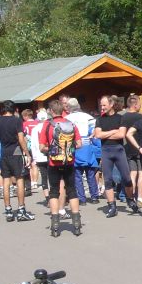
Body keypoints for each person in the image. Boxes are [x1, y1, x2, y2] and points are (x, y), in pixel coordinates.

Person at [39, 99, 83, 237]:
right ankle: (76, 223)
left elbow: (42, 147)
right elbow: (79, 144)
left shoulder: (47, 125)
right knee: (72, 191)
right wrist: (68, 149)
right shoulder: (71, 124)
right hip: (69, 162)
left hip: (53, 163)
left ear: (51, 111)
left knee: (54, 191)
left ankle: (55, 224)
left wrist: (51, 150)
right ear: (62, 110)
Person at [94, 95, 139, 218]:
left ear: (111, 104)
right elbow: (98, 135)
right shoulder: (100, 119)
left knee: (127, 178)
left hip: (119, 150)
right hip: (106, 151)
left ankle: (130, 200)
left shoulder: (120, 118)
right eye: (101, 105)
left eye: (104, 105)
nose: (102, 107)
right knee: (108, 180)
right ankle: (112, 206)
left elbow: (121, 135)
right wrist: (113, 131)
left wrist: (106, 134)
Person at [0, 100, 35, 222]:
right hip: (16, 151)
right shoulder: (17, 120)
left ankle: (8, 210)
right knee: (20, 179)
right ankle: (21, 210)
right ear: (14, 109)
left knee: (6, 180)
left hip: (4, 152)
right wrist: (27, 154)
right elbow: (21, 139)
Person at [67, 98, 100, 205]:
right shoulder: (89, 117)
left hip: (75, 147)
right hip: (88, 147)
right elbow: (94, 133)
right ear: (79, 106)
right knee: (91, 173)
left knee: (77, 175)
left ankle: (82, 199)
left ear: (69, 108)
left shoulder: (67, 119)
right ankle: (94, 197)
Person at [22, 108, 49, 206]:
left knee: (44, 177)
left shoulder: (35, 129)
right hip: (51, 155)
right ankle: (56, 196)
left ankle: (47, 197)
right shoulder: (50, 126)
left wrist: (33, 157)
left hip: (39, 155)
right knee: (54, 177)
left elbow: (33, 144)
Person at [121, 94, 142, 202]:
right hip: (140, 147)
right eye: (139, 103)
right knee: (141, 173)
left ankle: (131, 196)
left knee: (132, 173)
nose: (140, 106)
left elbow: (123, 133)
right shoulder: (140, 117)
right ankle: (140, 197)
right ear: (135, 105)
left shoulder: (124, 117)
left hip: (128, 148)